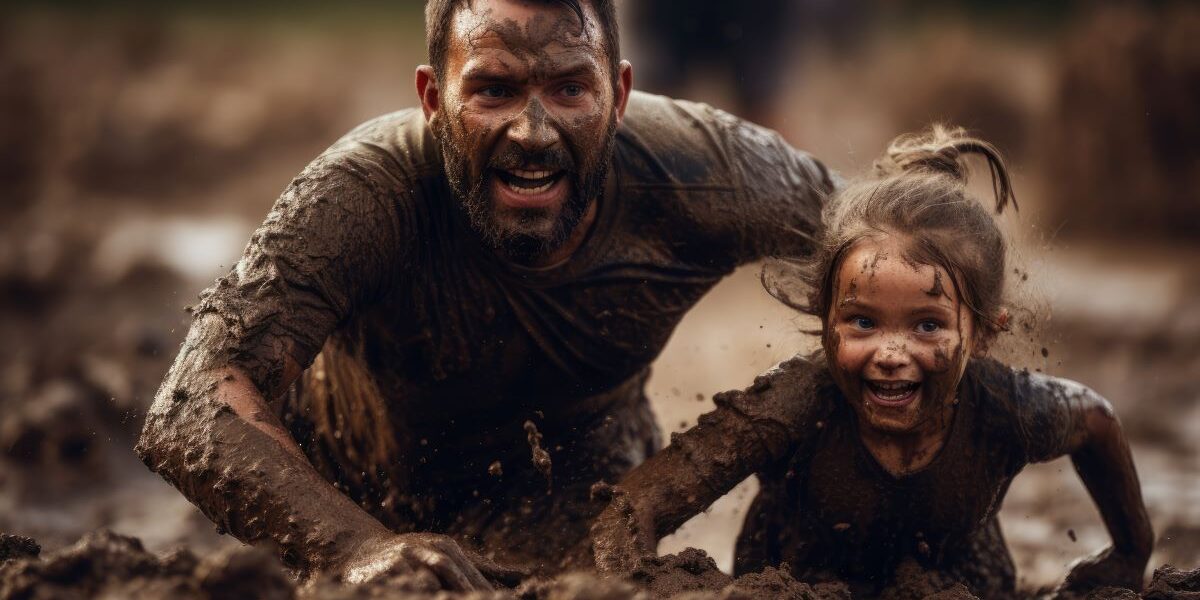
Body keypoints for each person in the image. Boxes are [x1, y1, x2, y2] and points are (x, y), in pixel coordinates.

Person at [134, 0, 836, 592]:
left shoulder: (701, 171)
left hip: (578, 489)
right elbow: (193, 406)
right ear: (433, 99)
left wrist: (737, 445)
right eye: (494, 91)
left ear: (618, 97)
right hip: (351, 488)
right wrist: (352, 549)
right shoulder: (366, 191)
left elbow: (901, 239)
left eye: (569, 90)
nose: (532, 133)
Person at [589, 126, 1154, 597]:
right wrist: (628, 585)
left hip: (962, 585)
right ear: (826, 317)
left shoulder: (1008, 407)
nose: (889, 354)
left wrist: (1130, 553)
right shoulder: (795, 402)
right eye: (862, 322)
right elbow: (633, 507)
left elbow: (1097, 420)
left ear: (982, 332)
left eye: (928, 325)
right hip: (799, 585)